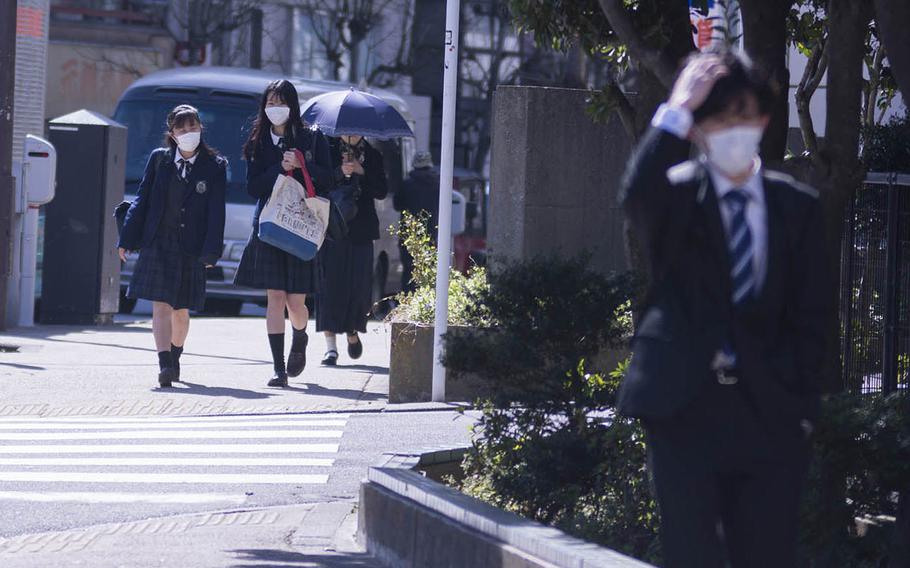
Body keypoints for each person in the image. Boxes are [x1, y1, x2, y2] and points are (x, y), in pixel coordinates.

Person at [617, 50, 830, 567]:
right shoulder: (676, 198)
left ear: (762, 119)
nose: (732, 129)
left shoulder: (797, 208)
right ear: (697, 130)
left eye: (742, 114)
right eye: (716, 117)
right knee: (692, 553)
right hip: (682, 404)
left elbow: (814, 317)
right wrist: (678, 104)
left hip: (769, 410)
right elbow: (636, 197)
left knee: (766, 554)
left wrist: (800, 405)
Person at [118, 104, 227, 388]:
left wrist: (212, 250)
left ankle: (176, 355)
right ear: (172, 133)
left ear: (201, 129)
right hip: (159, 241)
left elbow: (217, 212)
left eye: (193, 127)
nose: (188, 132)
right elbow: (142, 200)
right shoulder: (159, 160)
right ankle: (164, 364)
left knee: (181, 310)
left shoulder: (214, 166)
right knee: (161, 305)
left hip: (191, 245)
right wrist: (127, 238)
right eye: (182, 128)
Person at [234, 79, 334, 387]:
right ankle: (278, 369)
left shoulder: (312, 139)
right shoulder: (257, 143)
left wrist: (302, 165)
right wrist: (279, 167)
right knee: (274, 297)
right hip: (270, 226)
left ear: (292, 105)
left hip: (300, 226)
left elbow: (328, 181)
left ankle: (300, 336)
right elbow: (253, 187)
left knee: (295, 302)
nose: (275, 108)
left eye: (281, 102)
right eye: (270, 103)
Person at [316, 135, 388, 366]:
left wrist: (361, 170)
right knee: (330, 285)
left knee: (357, 286)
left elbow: (381, 191)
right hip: (331, 226)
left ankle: (352, 332)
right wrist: (339, 171)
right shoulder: (326, 148)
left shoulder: (373, 155)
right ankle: (330, 348)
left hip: (361, 229)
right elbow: (318, 181)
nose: (352, 133)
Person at [393, 151, 439, 292]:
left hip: (409, 233)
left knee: (408, 268)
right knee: (427, 268)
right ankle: (424, 301)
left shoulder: (406, 184)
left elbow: (397, 205)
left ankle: (408, 299)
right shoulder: (437, 185)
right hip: (430, 233)